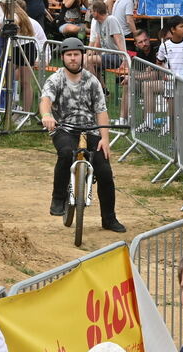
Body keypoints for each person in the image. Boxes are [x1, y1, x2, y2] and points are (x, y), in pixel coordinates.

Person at [39, 39, 125, 232]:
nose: (72, 58)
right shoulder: (56, 79)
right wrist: (47, 115)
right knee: (66, 152)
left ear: (82, 56)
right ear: (63, 57)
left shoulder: (92, 81)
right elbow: (45, 100)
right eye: (69, 55)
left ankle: (109, 219)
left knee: (104, 171)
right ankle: (58, 199)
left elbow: (101, 111)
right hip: (64, 128)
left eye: (76, 54)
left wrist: (105, 139)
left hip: (91, 129)